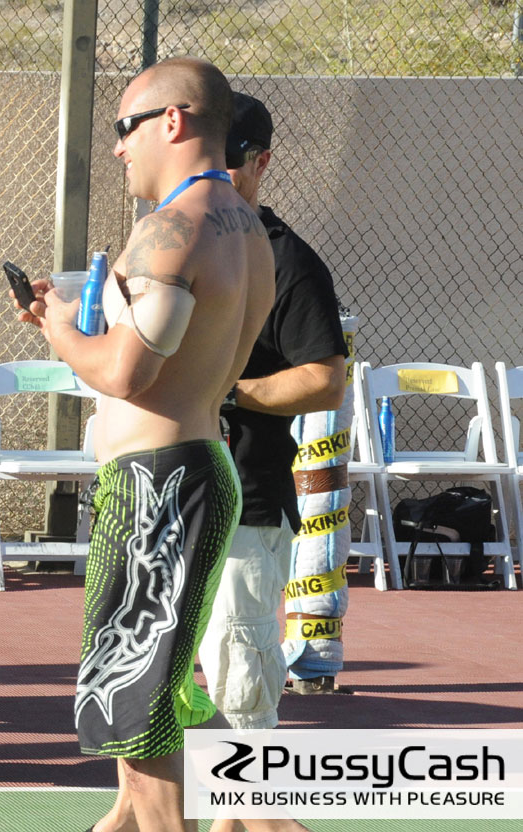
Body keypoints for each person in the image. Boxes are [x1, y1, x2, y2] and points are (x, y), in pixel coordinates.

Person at [18, 58, 301, 831]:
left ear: (171, 122)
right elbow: (173, 355)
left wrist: (55, 330)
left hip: (159, 488)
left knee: (133, 713)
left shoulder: (170, 229)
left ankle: (265, 813)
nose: (118, 149)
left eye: (124, 128)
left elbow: (123, 372)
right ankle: (262, 810)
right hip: (193, 471)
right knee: (142, 707)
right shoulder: (248, 233)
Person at [199, 93, 349, 737]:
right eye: (202, 158)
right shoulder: (170, 244)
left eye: (229, 160)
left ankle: (258, 810)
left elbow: (325, 381)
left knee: (242, 695)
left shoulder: (288, 262)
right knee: (155, 689)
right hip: (171, 498)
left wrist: (227, 391)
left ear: (261, 162)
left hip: (246, 505)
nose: (213, 173)